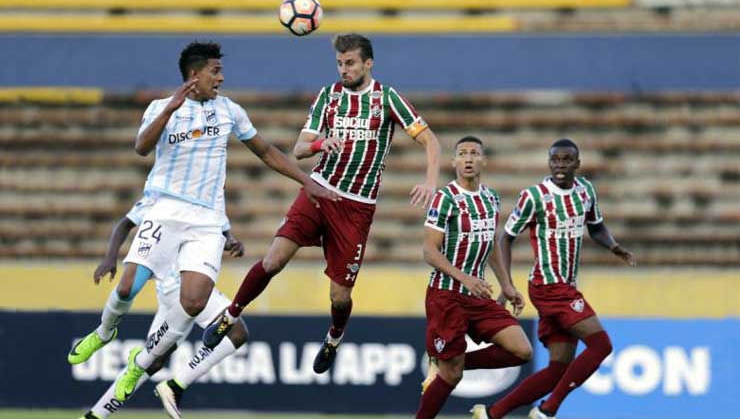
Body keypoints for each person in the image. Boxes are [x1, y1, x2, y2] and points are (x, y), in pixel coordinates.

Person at [202, 33, 441, 375]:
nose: (344, 70)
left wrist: (431, 180)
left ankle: (333, 337)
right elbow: (299, 148)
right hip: (319, 191)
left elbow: (430, 140)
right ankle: (230, 316)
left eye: (351, 63)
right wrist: (320, 145)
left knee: (339, 298)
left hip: (357, 207)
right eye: (340, 63)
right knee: (273, 260)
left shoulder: (388, 99)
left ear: (368, 63)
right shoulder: (329, 97)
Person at [112, 40, 338, 401]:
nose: (221, 77)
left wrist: (307, 181)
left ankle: (151, 373)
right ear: (194, 75)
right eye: (215, 71)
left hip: (203, 229)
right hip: (166, 224)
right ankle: (123, 352)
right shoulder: (161, 109)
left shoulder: (229, 111)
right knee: (130, 291)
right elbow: (141, 148)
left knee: (193, 305)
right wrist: (170, 108)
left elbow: (265, 151)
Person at [472, 138, 636, 419]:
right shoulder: (533, 196)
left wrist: (614, 246)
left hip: (565, 287)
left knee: (558, 369)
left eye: (566, 160)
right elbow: (505, 237)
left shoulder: (586, 191)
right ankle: (548, 411)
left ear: (577, 164)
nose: (560, 165)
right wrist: (507, 284)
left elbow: (596, 227)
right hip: (550, 287)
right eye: (555, 159)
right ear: (549, 162)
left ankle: (491, 414)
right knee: (601, 345)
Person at [73, 197, 245, 419]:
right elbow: (125, 223)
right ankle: (175, 385)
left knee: (151, 362)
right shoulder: (167, 194)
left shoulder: (212, 199)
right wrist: (111, 257)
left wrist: (232, 242)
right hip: (181, 286)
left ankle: (94, 416)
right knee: (236, 331)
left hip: (173, 290)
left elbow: (222, 232)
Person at [415, 136, 532, 419]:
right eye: (462, 154)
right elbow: (429, 251)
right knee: (451, 378)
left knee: (522, 350)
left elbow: (490, 243)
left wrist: (506, 283)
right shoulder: (445, 198)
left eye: (474, 153)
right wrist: (465, 278)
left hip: (476, 295)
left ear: (483, 161)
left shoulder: (490, 198)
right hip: (446, 296)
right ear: (454, 161)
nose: (468, 158)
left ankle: (445, 364)